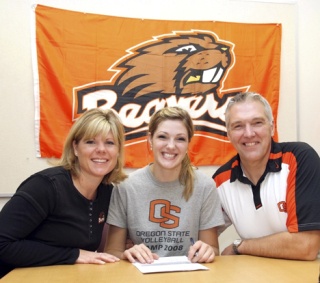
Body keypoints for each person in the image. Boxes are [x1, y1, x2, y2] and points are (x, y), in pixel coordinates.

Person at [0, 108, 127, 278]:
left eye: (110, 143)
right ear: (75, 148)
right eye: (90, 142)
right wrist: (73, 254)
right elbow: (2, 244)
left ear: (118, 151)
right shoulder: (45, 186)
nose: (101, 150)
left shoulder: (107, 192)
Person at [105, 106, 224, 264]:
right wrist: (128, 254)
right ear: (150, 139)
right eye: (163, 137)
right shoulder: (125, 187)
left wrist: (207, 252)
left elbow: (213, 250)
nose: (171, 146)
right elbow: (112, 252)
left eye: (180, 139)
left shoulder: (205, 186)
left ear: (189, 143)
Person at [212, 91, 320, 260]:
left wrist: (240, 246)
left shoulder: (299, 158)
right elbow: (199, 236)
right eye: (238, 126)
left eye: (257, 123)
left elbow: (306, 246)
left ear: (272, 127)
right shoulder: (220, 180)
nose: (249, 134)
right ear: (228, 134)